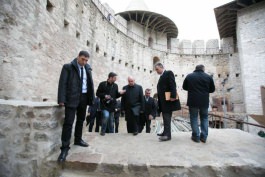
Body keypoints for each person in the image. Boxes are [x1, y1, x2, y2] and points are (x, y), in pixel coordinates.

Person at [57, 51, 95, 162]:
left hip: (84, 98)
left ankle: (78, 139)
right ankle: (64, 148)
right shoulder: (68, 67)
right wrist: (61, 99)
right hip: (71, 98)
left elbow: (90, 84)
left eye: (86, 60)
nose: (84, 62)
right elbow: (62, 83)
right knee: (68, 122)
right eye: (83, 59)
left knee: (80, 120)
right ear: (78, 57)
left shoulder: (87, 68)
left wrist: (91, 98)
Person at [182, 64, 215, 143]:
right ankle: (203, 137)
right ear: (203, 69)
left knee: (194, 118)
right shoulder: (208, 77)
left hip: (193, 100)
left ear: (195, 69)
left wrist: (192, 89)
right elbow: (212, 89)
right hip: (204, 101)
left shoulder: (189, 76)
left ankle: (196, 136)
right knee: (204, 118)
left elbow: (184, 87)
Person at [155, 63, 181, 141]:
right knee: (165, 117)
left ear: (161, 67)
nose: (156, 71)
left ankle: (167, 135)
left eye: (157, 69)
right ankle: (165, 132)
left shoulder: (169, 73)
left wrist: (173, 96)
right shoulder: (162, 76)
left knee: (166, 117)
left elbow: (172, 84)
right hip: (163, 101)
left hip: (168, 100)